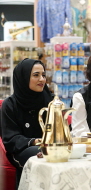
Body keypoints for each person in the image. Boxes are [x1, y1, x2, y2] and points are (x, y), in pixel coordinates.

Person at [1, 59, 52, 189]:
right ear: (23, 77)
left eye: (43, 75)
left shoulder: (49, 100)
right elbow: (11, 139)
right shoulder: (10, 105)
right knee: (42, 153)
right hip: (22, 150)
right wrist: (34, 141)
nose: (42, 79)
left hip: (51, 147)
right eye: (36, 75)